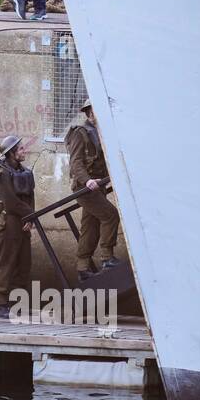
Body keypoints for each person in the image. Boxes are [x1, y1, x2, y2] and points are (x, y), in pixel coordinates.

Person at [66, 99, 121, 281]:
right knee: (111, 215)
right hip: (85, 188)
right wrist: (88, 181)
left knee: (90, 227)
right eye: (96, 111)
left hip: (98, 188)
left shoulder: (102, 133)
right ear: (89, 113)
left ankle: (82, 268)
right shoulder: (80, 133)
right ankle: (107, 257)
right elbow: (76, 163)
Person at [0, 134, 34, 320]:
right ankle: (0, 304)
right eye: (21, 149)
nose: (24, 151)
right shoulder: (2, 174)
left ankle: (19, 302)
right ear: (12, 153)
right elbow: (10, 202)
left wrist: (31, 218)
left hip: (23, 221)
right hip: (9, 222)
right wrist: (29, 214)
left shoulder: (25, 172)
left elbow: (30, 196)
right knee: (6, 262)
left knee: (24, 262)